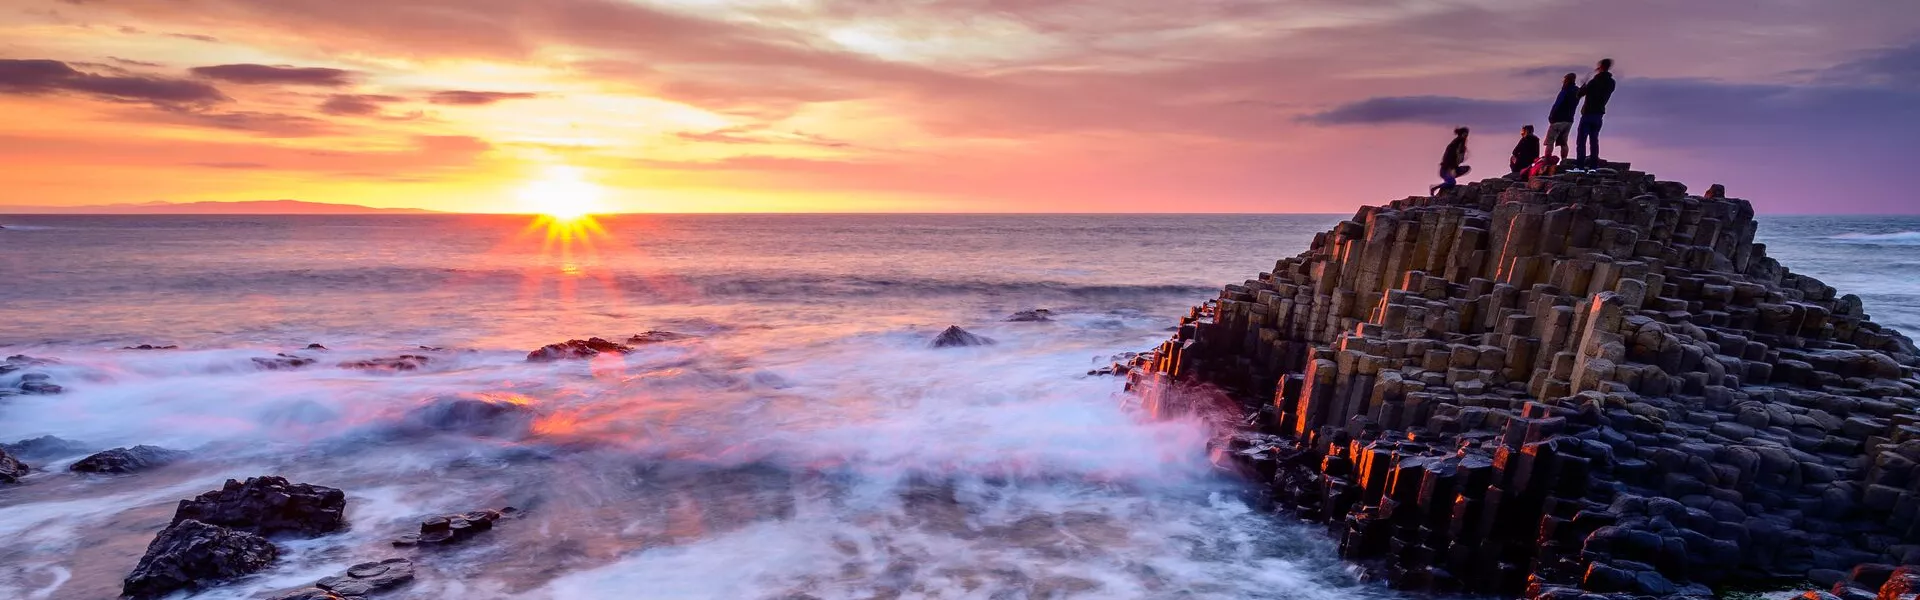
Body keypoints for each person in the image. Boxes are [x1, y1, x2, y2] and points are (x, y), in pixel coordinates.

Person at [1575, 58, 1616, 169]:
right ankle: (1593, 167)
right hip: (1599, 114)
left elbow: (1579, 94)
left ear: (1600, 67)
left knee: (1581, 141)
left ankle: (1580, 166)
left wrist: (1584, 84)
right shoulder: (1612, 83)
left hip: (1588, 113)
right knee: (1594, 141)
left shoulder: (1594, 81)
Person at [1545, 73, 1578, 159]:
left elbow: (1557, 104)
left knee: (1550, 141)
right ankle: (1564, 160)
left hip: (1558, 120)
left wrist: (1551, 116)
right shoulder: (1577, 91)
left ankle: (1547, 160)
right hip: (1569, 120)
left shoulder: (1565, 91)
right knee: (1564, 142)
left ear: (1567, 80)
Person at [1430, 127, 1471, 196]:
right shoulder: (1455, 144)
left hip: (1452, 168)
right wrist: (1452, 168)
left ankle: (1449, 179)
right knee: (1452, 182)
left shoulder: (1461, 144)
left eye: (1467, 134)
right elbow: (1449, 158)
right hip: (1446, 169)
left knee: (1467, 168)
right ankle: (1434, 187)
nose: (1466, 136)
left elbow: (1459, 158)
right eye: (1465, 134)